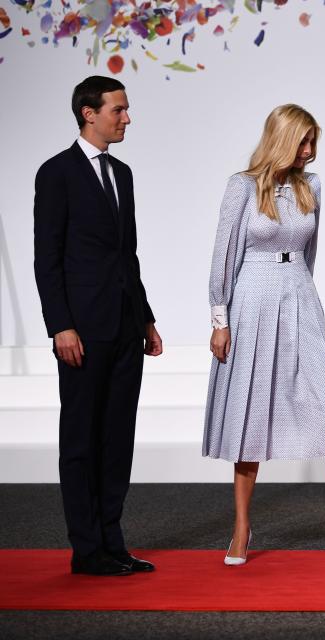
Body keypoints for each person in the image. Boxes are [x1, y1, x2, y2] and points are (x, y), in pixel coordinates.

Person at [203, 104, 325, 565]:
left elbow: (311, 252)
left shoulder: (313, 186)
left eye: (313, 143)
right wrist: (219, 320)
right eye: (303, 142)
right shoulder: (242, 187)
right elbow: (223, 257)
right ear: (282, 140)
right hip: (251, 300)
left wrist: (303, 296)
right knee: (249, 411)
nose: (309, 151)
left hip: (300, 298)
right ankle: (242, 529)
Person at [33, 76, 163, 576]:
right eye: (119, 110)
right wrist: (60, 326)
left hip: (125, 326)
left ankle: (113, 542)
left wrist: (146, 317)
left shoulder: (123, 174)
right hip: (81, 332)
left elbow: (126, 256)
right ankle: (86, 549)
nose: (126, 118)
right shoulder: (57, 173)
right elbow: (48, 258)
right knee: (82, 440)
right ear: (89, 113)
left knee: (117, 438)